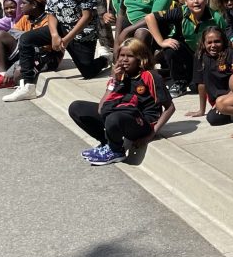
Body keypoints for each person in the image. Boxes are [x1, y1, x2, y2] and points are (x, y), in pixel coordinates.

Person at [4, 0, 111, 102]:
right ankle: (27, 86)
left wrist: (66, 39)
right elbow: (51, 13)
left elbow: (87, 17)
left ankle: (105, 58)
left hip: (81, 33)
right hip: (60, 28)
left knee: (87, 71)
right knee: (26, 39)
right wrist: (54, 35)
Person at [69, 38, 174, 166]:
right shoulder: (120, 76)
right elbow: (101, 109)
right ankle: (107, 143)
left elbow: (170, 108)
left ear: (140, 59)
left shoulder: (150, 76)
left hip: (142, 123)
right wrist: (115, 81)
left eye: (130, 56)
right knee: (77, 108)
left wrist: (151, 135)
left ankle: (116, 151)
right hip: (120, 115)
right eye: (122, 55)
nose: (124, 59)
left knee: (113, 117)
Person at [144, 0, 228, 98]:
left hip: (207, 57)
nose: (196, 1)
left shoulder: (216, 17)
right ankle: (180, 82)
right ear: (185, 0)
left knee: (196, 87)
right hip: (189, 55)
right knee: (171, 48)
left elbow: (226, 41)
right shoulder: (180, 12)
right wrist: (161, 41)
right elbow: (150, 18)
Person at [0, 0, 48, 89]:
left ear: (34, 5)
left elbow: (44, 48)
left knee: (18, 73)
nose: (20, 5)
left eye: (23, 3)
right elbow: (12, 32)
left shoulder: (47, 21)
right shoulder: (26, 18)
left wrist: (26, 36)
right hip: (27, 49)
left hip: (43, 56)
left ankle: (14, 80)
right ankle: (3, 73)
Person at [186, 25, 233, 124]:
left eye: (217, 41)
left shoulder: (232, 54)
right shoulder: (200, 56)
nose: (213, 45)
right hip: (216, 102)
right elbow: (201, 84)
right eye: (209, 42)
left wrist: (224, 101)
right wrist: (201, 110)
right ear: (204, 43)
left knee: (231, 116)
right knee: (213, 119)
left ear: (223, 41)